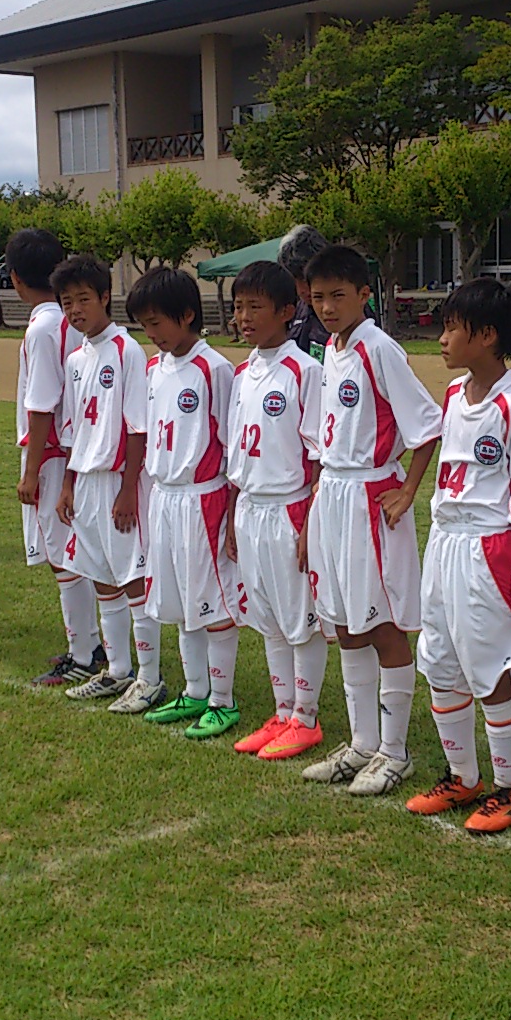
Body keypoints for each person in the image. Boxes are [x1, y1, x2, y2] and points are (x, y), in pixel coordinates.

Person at [404, 278, 511, 834]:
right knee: (441, 662)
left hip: (492, 551)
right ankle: (462, 776)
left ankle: (510, 788)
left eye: (451, 328)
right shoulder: (453, 396)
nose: (441, 340)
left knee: (493, 671)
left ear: (486, 336)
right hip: (444, 544)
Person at [300, 244, 443, 796]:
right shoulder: (329, 350)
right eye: (318, 298)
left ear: (365, 294)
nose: (329, 307)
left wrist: (407, 489)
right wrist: (315, 504)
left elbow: (426, 426)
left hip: (370, 494)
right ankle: (361, 743)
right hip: (333, 495)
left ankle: (395, 751)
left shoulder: (378, 348)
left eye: (339, 295)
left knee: (381, 623)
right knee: (342, 623)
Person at [122, 267, 244, 737]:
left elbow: (230, 444)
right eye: (144, 325)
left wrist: (229, 512)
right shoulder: (153, 370)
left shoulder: (215, 370)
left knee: (210, 600)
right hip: (164, 498)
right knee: (177, 600)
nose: (151, 335)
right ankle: (194, 691)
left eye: (157, 323)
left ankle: (222, 699)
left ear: (187, 315)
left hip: (203, 498)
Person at [224, 260, 327, 761]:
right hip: (249, 508)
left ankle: (306, 717)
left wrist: (309, 522)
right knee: (265, 615)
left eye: (255, 307)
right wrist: (230, 518)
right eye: (239, 306)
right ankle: (282, 711)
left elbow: (318, 457)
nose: (244, 316)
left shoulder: (305, 371)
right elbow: (234, 455)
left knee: (298, 617)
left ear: (288, 310)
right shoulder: (242, 372)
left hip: (288, 508)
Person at [53, 256, 165, 706]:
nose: (76, 309)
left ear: (104, 297)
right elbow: (75, 428)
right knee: (101, 575)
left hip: (120, 480)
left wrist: (127, 488)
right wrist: (67, 485)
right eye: (67, 302)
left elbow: (137, 426)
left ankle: (150, 678)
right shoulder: (77, 358)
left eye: (83, 299)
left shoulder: (126, 350)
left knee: (133, 577)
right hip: (86, 481)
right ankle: (117, 670)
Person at [7, 229, 105, 689]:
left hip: (52, 454)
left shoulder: (43, 326)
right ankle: (89, 642)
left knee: (63, 557)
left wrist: (31, 472)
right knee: (73, 552)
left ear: (14, 279)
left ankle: (83, 653)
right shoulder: (67, 321)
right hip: (71, 451)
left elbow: (42, 402)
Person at [278, 224, 331, 359]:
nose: (303, 289)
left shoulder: (348, 310)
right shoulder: (294, 308)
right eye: (296, 279)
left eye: (307, 279)